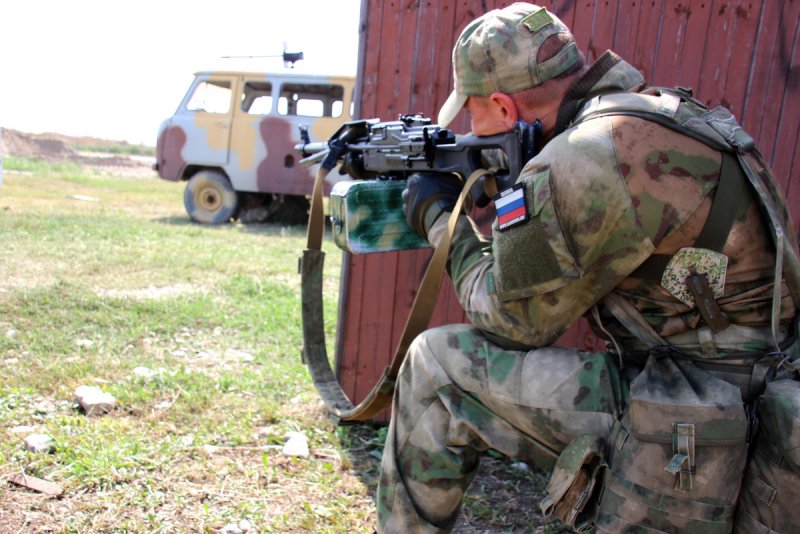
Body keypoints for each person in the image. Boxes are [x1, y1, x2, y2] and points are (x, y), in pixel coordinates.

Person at [378, 3, 800, 533]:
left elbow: (511, 320)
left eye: (473, 114)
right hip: (759, 377)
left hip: (704, 401)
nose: (470, 128)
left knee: (435, 366)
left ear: (505, 111)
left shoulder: (583, 157)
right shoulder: (659, 114)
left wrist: (442, 220)